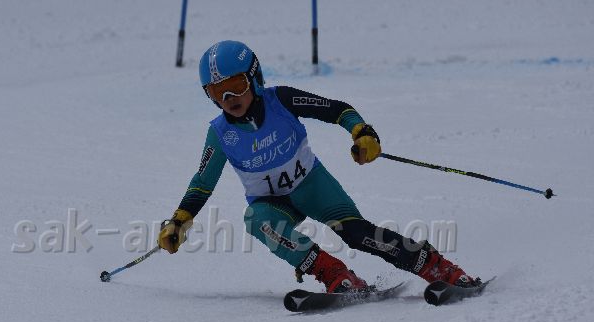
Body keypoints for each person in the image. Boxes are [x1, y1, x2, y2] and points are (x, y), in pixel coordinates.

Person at [157, 40, 479, 293]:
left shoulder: (281, 100)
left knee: (356, 234)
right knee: (257, 220)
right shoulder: (220, 134)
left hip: (312, 186)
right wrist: (180, 220)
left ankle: (435, 266)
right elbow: (202, 183)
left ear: (254, 78)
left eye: (237, 85)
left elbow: (337, 109)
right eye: (218, 91)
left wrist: (362, 132)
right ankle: (334, 273)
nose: (229, 97)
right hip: (272, 203)